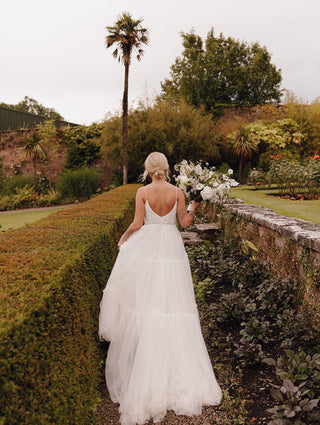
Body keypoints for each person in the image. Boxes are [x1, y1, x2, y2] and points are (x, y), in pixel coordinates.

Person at [99, 152, 222, 425]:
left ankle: (148, 363)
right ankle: (177, 364)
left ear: (147, 169)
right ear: (166, 169)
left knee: (149, 303)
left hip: (150, 248)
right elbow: (186, 223)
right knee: (174, 303)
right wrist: (194, 204)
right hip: (171, 247)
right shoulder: (178, 192)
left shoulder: (142, 192)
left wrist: (124, 237)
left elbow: (137, 224)